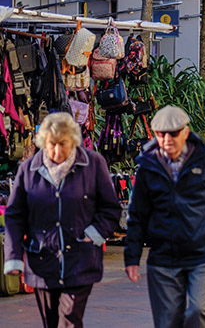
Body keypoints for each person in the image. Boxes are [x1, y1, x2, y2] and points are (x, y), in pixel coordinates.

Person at [125, 106, 205, 328]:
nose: (167, 139)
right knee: (167, 321)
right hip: (163, 256)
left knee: (198, 312)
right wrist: (131, 256)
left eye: (173, 133)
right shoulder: (148, 164)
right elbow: (138, 214)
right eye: (161, 133)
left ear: (185, 131)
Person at [3, 113, 121, 328]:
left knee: (68, 321)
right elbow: (14, 215)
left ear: (74, 141)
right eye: (52, 145)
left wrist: (94, 234)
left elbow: (110, 208)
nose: (57, 151)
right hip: (42, 262)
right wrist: (13, 256)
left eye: (63, 144)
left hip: (80, 260)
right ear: (43, 143)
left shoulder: (93, 163)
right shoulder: (28, 169)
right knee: (51, 322)